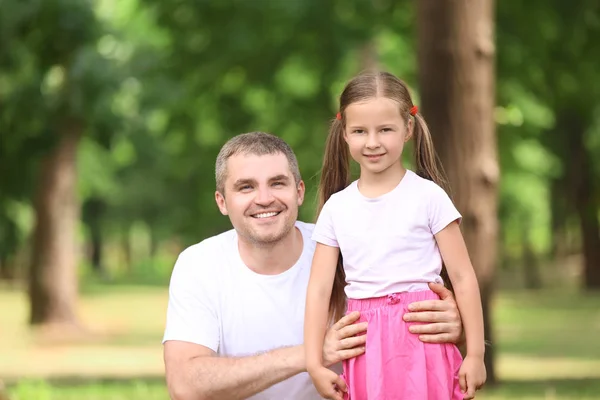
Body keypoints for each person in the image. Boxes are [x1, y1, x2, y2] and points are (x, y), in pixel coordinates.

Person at [162, 131, 467, 400]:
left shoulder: (349, 247)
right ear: (222, 201)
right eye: (246, 187)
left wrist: (455, 325)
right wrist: (312, 354)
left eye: (277, 183)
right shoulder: (199, 265)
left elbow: (413, 329)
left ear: (299, 192)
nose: (264, 198)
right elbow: (185, 385)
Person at [304, 71, 486, 400]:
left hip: (423, 337)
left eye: (385, 129)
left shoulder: (429, 198)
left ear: (408, 130)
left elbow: (462, 277)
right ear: (344, 133)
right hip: (365, 344)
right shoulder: (337, 208)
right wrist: (314, 362)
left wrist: (475, 354)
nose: (372, 142)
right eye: (360, 131)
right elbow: (317, 290)